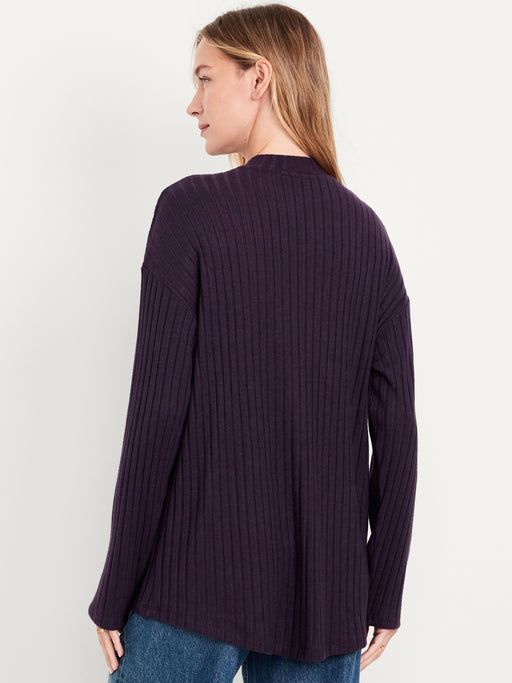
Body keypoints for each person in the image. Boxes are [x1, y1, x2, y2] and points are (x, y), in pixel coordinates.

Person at [88, 3, 418, 681]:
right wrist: (383, 588)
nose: (193, 103)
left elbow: (156, 415)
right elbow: (398, 435)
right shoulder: (368, 236)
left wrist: (116, 586)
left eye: (205, 78)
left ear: (259, 77)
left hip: (190, 585)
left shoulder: (190, 211)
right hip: (325, 599)